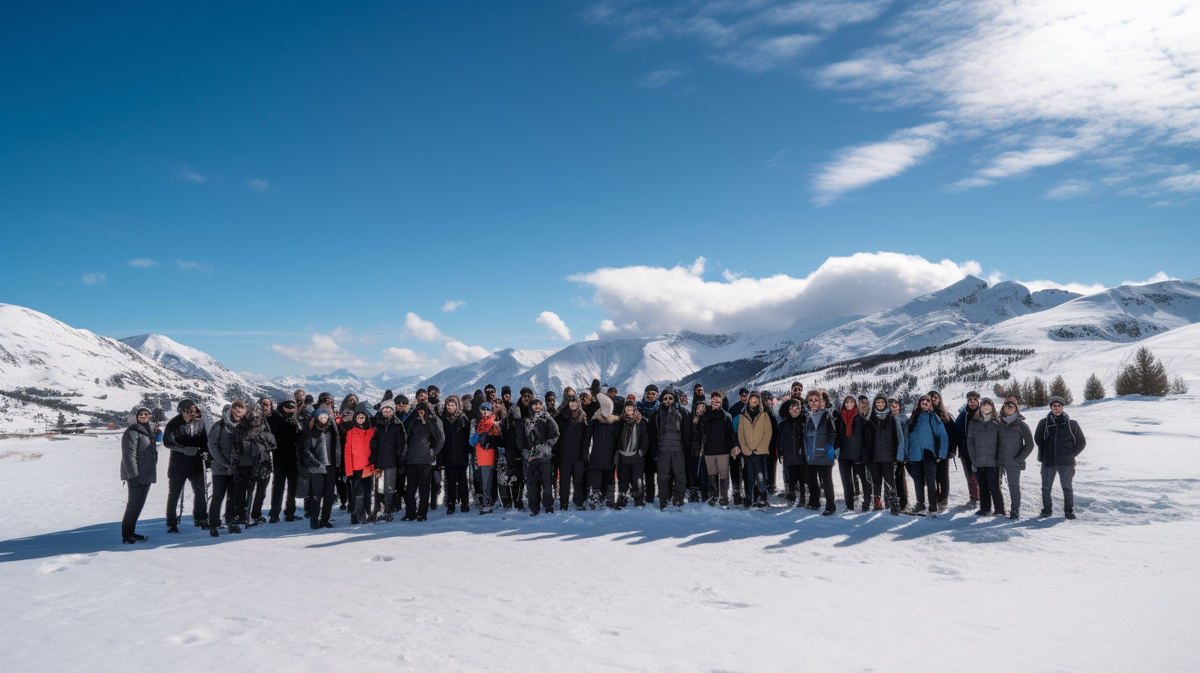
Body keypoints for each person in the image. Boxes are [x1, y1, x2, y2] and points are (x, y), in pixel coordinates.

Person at [1034, 396, 1086, 519]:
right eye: (1054, 406)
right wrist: (1046, 452)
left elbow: (1081, 442)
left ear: (1062, 407)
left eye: (1059, 406)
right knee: (1046, 487)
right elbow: (1038, 439)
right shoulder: (1044, 422)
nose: (1056, 408)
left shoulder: (1071, 424)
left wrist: (1071, 455)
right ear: (1051, 407)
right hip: (1048, 462)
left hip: (1066, 463)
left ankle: (1068, 511)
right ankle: (1047, 510)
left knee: (1067, 487)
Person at [162, 399, 209, 532]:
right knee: (174, 495)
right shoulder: (173, 424)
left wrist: (207, 457)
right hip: (178, 466)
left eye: (194, 410)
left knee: (200, 493)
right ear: (182, 411)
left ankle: (201, 518)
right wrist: (184, 449)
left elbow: (204, 441)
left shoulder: (200, 423)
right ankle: (171, 522)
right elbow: (167, 442)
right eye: (189, 411)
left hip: (196, 464)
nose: (192, 413)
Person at [905, 395, 950, 516]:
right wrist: (905, 454)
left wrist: (941, 454)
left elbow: (943, 436)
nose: (924, 402)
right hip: (914, 454)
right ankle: (920, 504)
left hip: (928, 454)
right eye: (922, 401)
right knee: (918, 481)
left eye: (927, 401)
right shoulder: (913, 418)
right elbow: (906, 437)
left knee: (931, 480)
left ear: (930, 404)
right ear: (918, 403)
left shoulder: (933, 417)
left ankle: (933, 505)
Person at [207, 401, 246, 535]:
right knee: (218, 495)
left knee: (232, 496)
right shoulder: (219, 426)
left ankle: (231, 521)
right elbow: (212, 446)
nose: (235, 412)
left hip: (236, 467)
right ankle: (213, 523)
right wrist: (224, 463)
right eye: (233, 410)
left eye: (238, 410)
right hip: (220, 468)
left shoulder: (241, 426)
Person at [234, 403, 276, 526]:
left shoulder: (264, 429)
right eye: (252, 417)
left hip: (263, 465)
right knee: (243, 491)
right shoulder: (240, 429)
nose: (254, 420)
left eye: (257, 417)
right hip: (245, 465)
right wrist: (235, 463)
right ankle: (241, 515)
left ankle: (255, 514)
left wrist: (265, 439)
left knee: (261, 491)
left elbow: (273, 445)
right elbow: (236, 447)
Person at [649, 388, 691, 509]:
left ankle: (678, 498)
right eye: (665, 398)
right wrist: (654, 449)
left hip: (678, 449)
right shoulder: (656, 414)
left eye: (670, 398)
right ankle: (664, 499)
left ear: (675, 399)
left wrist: (686, 448)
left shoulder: (682, 412)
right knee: (662, 475)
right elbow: (652, 434)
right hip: (662, 449)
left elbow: (687, 431)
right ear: (662, 399)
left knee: (680, 475)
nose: (668, 401)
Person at [120, 407, 158, 543]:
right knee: (133, 505)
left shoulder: (148, 430)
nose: (144, 416)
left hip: (146, 472)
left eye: (146, 414)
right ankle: (126, 535)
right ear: (135, 416)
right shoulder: (132, 432)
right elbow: (128, 456)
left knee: (139, 505)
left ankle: (131, 532)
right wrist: (133, 476)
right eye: (141, 414)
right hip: (136, 475)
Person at [403, 401, 445, 521]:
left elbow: (441, 438)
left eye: (423, 410)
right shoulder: (412, 421)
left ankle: (422, 513)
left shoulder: (433, 422)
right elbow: (404, 433)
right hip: (411, 460)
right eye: (419, 410)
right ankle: (410, 513)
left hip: (426, 460)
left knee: (424, 488)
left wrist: (434, 452)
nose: (421, 412)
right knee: (411, 488)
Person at [518, 398, 559, 516]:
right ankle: (534, 507)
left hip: (545, 456)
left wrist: (546, 447)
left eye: (539, 404)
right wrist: (527, 454)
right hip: (531, 457)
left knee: (546, 483)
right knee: (532, 484)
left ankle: (548, 506)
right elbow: (520, 439)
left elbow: (556, 433)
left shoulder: (547, 418)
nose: (536, 406)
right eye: (534, 404)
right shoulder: (525, 420)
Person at [864, 395, 904, 514]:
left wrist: (898, 455)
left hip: (888, 456)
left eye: (882, 402)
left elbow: (899, 438)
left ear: (885, 404)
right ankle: (877, 503)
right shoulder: (871, 420)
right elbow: (866, 440)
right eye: (878, 402)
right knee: (876, 482)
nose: (880, 404)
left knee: (890, 481)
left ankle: (894, 504)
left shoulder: (892, 419)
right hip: (874, 457)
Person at [300, 408, 339, 529]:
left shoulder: (332, 431)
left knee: (329, 495)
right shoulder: (311, 432)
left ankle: (325, 519)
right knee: (316, 495)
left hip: (331, 466)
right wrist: (315, 463)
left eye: (325, 417)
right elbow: (305, 450)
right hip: (316, 467)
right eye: (321, 417)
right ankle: (314, 519)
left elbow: (337, 447)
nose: (323, 420)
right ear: (316, 418)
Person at [368, 399, 406, 521]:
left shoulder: (398, 425)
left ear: (392, 411)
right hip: (379, 461)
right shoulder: (378, 425)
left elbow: (402, 444)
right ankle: (378, 510)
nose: (387, 412)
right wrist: (373, 445)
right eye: (385, 410)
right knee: (378, 486)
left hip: (392, 461)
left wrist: (401, 459)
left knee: (389, 487)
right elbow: (374, 440)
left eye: (389, 410)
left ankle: (389, 510)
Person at [965, 397, 1004, 516]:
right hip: (979, 461)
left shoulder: (997, 423)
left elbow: (1002, 443)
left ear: (992, 408)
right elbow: (970, 442)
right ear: (980, 408)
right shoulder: (974, 422)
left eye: (989, 406)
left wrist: (999, 460)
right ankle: (985, 508)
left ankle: (999, 510)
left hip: (993, 462)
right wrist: (974, 460)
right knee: (982, 486)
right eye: (984, 406)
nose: (986, 408)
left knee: (994, 486)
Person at [997, 398, 1034, 520]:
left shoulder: (1022, 425)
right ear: (1003, 408)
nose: (1009, 408)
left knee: (1014, 486)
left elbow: (1029, 444)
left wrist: (1019, 459)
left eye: (1012, 406)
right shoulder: (997, 423)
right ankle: (999, 509)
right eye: (1007, 406)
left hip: (1013, 462)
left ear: (1016, 408)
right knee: (996, 486)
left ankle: (1014, 511)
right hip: (998, 461)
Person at [801, 390, 838, 515]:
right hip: (811, 453)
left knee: (827, 480)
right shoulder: (806, 415)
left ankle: (830, 506)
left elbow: (832, 433)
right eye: (811, 400)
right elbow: (804, 435)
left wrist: (828, 448)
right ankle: (814, 502)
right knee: (812, 479)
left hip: (824, 452)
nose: (813, 403)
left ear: (820, 401)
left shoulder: (827, 415)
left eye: (816, 400)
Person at [554, 393, 592, 511]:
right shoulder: (562, 417)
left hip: (578, 456)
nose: (573, 405)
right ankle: (563, 502)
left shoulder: (583, 418)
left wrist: (585, 454)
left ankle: (578, 501)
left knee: (578, 481)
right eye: (571, 403)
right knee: (564, 482)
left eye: (575, 402)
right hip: (564, 456)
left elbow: (587, 438)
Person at [735, 392, 772, 508]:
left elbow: (767, 433)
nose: (754, 403)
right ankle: (749, 497)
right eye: (752, 401)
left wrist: (759, 448)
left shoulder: (764, 415)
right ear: (749, 401)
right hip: (748, 453)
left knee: (760, 476)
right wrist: (745, 448)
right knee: (749, 477)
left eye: (756, 401)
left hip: (759, 452)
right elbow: (741, 434)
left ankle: (763, 497)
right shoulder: (743, 415)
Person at [700, 391, 736, 507]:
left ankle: (724, 497)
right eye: (713, 399)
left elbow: (731, 434)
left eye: (718, 399)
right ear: (710, 400)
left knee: (724, 475)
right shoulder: (705, 415)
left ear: (721, 401)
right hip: (709, 451)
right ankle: (714, 495)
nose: (715, 401)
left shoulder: (726, 416)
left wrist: (733, 447)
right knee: (712, 475)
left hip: (723, 451)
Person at [267, 398, 301, 523]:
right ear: (282, 406)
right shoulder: (276, 419)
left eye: (293, 406)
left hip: (292, 459)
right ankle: (274, 513)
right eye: (288, 406)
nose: (290, 408)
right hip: (280, 459)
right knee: (278, 487)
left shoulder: (295, 420)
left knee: (292, 488)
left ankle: (290, 512)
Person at [835, 395, 871, 513]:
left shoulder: (860, 419)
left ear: (854, 404)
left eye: (851, 402)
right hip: (843, 454)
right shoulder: (840, 418)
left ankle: (867, 502)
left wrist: (864, 454)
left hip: (857, 455)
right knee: (846, 481)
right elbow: (835, 434)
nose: (849, 405)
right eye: (847, 403)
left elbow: (866, 438)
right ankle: (849, 505)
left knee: (863, 479)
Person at [342, 404, 375, 524]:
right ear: (355, 418)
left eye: (363, 417)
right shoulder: (351, 433)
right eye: (358, 417)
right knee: (357, 493)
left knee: (368, 491)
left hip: (369, 467)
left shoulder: (372, 431)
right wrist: (349, 471)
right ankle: (356, 515)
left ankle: (368, 512)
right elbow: (347, 453)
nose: (361, 419)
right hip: (356, 468)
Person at [440, 395, 473, 514]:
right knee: (451, 482)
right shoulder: (443, 419)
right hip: (448, 456)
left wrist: (468, 451)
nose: (450, 408)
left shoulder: (463, 419)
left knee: (463, 481)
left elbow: (467, 437)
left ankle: (465, 503)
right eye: (448, 405)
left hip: (461, 455)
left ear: (457, 406)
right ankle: (451, 504)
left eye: (453, 405)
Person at [587, 393, 621, 509]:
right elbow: (588, 438)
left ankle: (609, 500)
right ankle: (596, 499)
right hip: (596, 456)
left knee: (610, 480)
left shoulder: (616, 424)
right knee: (596, 481)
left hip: (610, 457)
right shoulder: (595, 422)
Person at [615, 399, 649, 508]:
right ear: (624, 410)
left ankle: (639, 500)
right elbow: (616, 437)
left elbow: (645, 438)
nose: (629, 411)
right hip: (623, 456)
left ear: (635, 409)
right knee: (623, 481)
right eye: (627, 409)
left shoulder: (641, 422)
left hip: (637, 457)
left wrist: (641, 452)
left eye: (631, 409)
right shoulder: (620, 422)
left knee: (637, 480)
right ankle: (622, 500)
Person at [928, 390, 959, 509]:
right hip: (930, 452)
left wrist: (951, 450)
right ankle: (935, 496)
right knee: (932, 476)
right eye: (931, 397)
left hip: (944, 452)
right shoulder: (925, 414)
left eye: (936, 397)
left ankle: (943, 498)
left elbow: (953, 435)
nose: (934, 399)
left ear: (940, 399)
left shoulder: (946, 416)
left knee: (943, 476)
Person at [775, 399, 808, 508]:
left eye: (797, 408)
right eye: (792, 408)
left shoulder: (804, 421)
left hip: (802, 455)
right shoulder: (783, 424)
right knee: (791, 478)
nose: (795, 411)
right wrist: (780, 453)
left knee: (803, 478)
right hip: (788, 455)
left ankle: (803, 497)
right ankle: (792, 496)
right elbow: (779, 440)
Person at [954, 391, 983, 508]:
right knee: (970, 475)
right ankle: (974, 497)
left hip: (982, 450)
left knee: (982, 474)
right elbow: (956, 432)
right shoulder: (962, 416)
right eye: (970, 399)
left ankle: (985, 495)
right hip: (965, 450)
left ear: (978, 400)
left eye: (974, 399)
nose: (972, 401)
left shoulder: (984, 413)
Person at [471, 402, 501, 514]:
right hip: (480, 456)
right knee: (483, 480)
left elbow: (497, 439)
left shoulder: (492, 423)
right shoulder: (481, 423)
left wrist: (489, 439)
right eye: (482, 409)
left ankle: (487, 502)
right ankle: (485, 500)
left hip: (488, 456)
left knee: (487, 480)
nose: (484, 412)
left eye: (486, 409)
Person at [636, 386, 661, 503]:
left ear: (657, 395)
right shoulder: (638, 408)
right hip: (640, 445)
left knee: (654, 473)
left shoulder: (660, 409)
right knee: (640, 473)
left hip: (656, 445)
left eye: (653, 393)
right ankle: (639, 495)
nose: (650, 396)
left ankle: (653, 496)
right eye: (647, 393)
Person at [888, 398, 910, 510]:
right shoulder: (887, 419)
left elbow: (906, 436)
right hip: (888, 453)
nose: (893, 406)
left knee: (900, 477)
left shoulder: (904, 419)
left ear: (899, 406)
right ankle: (891, 501)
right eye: (890, 404)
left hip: (900, 453)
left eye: (895, 404)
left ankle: (903, 502)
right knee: (889, 479)